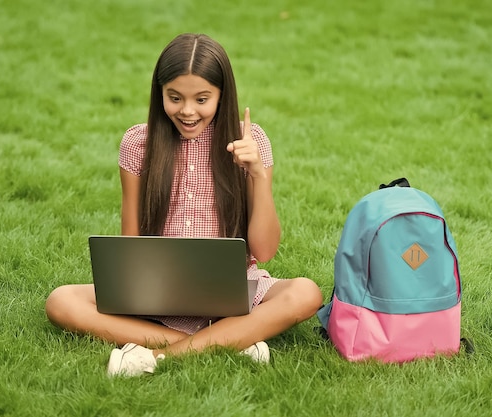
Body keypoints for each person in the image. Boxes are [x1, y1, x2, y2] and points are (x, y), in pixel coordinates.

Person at [45, 33, 324, 377]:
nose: (188, 111)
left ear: (223, 96)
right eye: (174, 98)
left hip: (235, 290)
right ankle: (231, 341)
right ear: (159, 92)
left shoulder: (250, 142)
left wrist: (257, 176)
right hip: (158, 291)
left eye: (202, 99)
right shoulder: (138, 142)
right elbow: (130, 240)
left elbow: (264, 250)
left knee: (306, 293)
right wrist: (136, 290)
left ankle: (160, 354)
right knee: (61, 301)